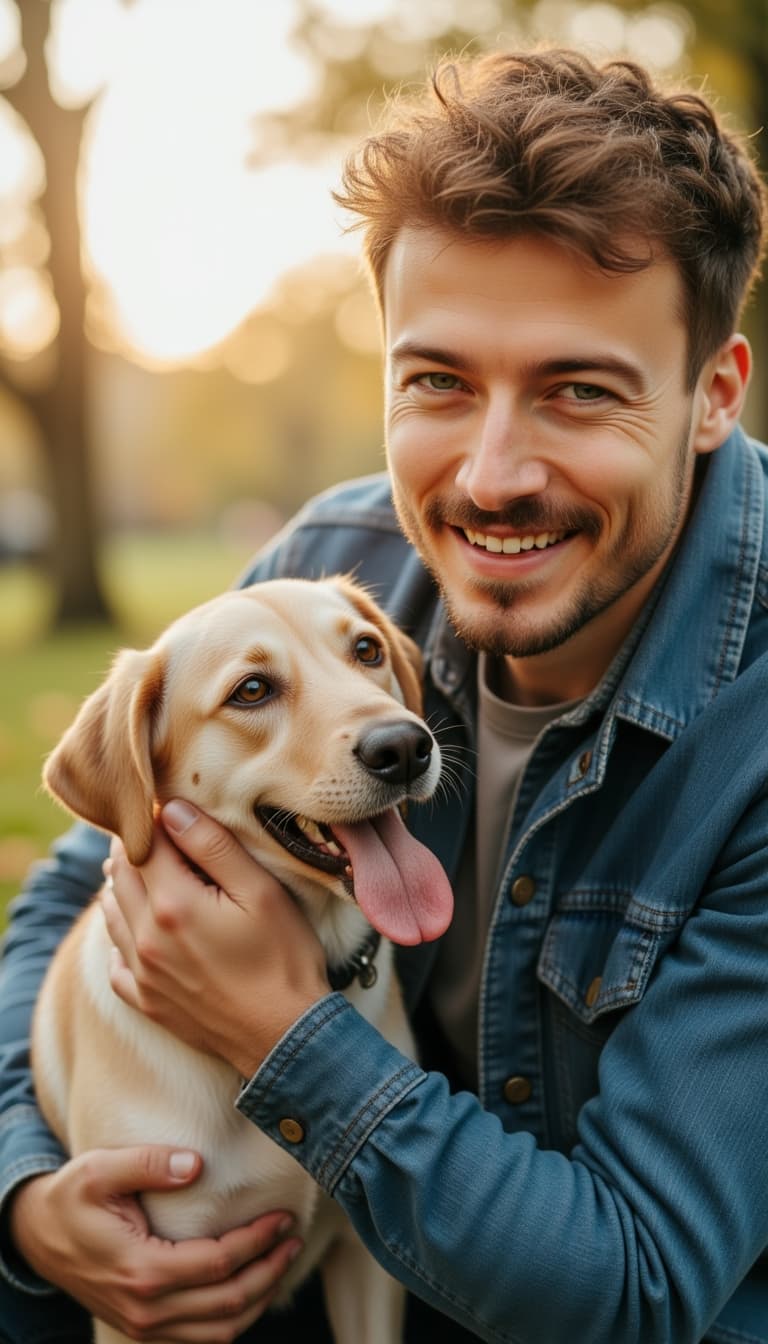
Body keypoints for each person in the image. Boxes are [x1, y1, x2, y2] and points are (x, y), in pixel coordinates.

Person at [1, 43, 767, 1344]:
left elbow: (633, 1289)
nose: (491, 475)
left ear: (713, 395)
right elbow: (75, 889)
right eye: (437, 382)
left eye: (579, 390)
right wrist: (26, 1191)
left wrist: (279, 1028)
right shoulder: (328, 569)